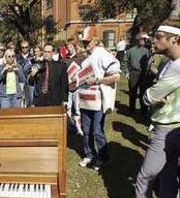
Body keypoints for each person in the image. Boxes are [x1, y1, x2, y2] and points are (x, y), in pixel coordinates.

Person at [110, 24, 180, 198]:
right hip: (167, 125)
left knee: (145, 177)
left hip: (169, 128)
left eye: (159, 37)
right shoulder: (169, 63)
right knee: (167, 177)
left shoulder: (177, 68)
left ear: (174, 40)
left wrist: (152, 97)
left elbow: (148, 96)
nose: (153, 40)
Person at [78, 37, 120, 171]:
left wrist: (97, 80)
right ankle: (89, 154)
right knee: (86, 130)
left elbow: (116, 76)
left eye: (87, 42)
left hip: (98, 100)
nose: (85, 45)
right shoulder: (86, 59)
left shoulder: (103, 54)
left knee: (97, 130)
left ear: (95, 41)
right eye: (83, 42)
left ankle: (102, 156)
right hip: (85, 99)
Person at [123, 33, 151, 114]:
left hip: (143, 73)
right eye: (142, 39)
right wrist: (127, 72)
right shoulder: (130, 51)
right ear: (138, 40)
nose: (143, 41)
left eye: (144, 40)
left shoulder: (147, 51)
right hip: (133, 73)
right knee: (132, 92)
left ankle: (144, 109)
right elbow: (125, 61)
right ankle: (131, 109)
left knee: (143, 91)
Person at [63, 42, 86, 135]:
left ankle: (79, 128)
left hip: (77, 87)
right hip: (68, 87)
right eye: (68, 47)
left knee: (77, 109)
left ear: (74, 48)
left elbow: (83, 71)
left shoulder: (80, 58)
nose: (69, 49)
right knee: (67, 109)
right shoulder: (64, 60)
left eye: (71, 47)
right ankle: (68, 127)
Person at [17, 41, 34, 106]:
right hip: (20, 80)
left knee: (30, 98)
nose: (24, 49)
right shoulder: (17, 57)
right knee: (20, 99)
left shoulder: (32, 57)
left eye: (26, 47)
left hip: (29, 80)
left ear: (28, 47)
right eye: (23, 47)